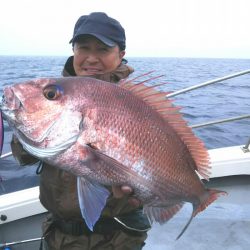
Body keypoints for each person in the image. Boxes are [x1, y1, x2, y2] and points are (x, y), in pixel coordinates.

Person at [11, 12, 151, 250]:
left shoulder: (139, 102)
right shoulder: (54, 95)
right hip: (57, 233)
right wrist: (21, 120)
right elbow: (22, 156)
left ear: (121, 55)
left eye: (103, 49)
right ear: (73, 50)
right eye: (83, 48)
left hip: (117, 238)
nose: (91, 58)